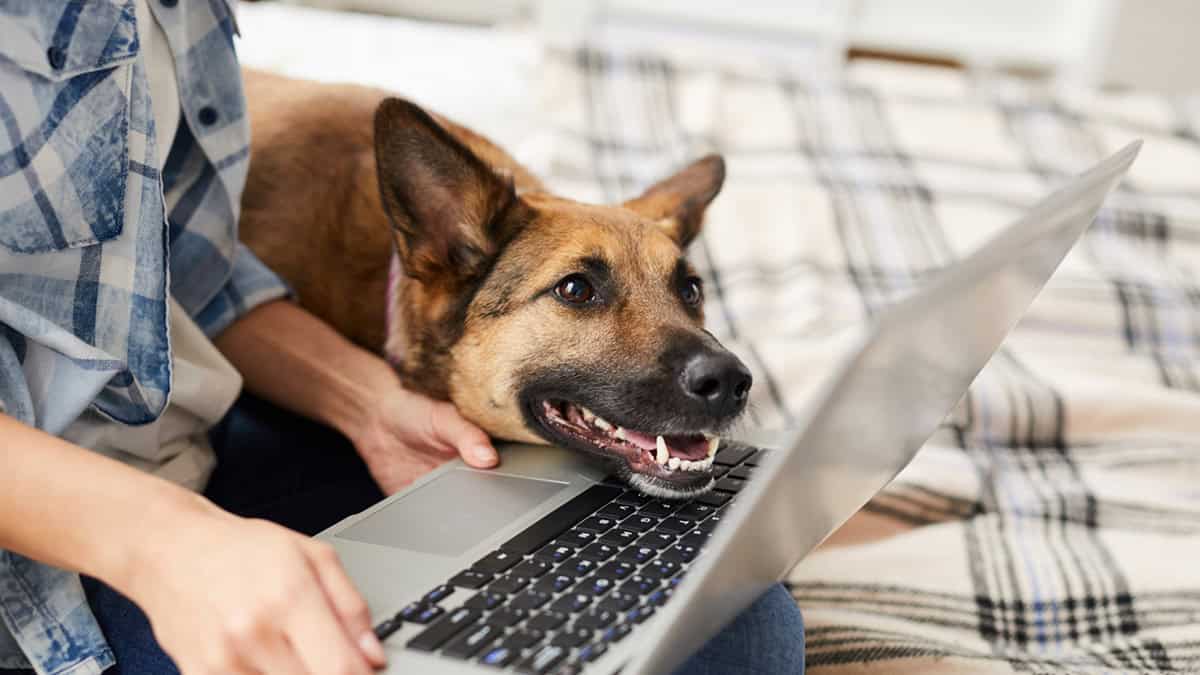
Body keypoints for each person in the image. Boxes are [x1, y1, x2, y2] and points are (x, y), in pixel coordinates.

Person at [0, 2, 805, 674]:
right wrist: (161, 545)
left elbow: (190, 271)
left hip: (185, 439)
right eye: (577, 292)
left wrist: (369, 405)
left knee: (737, 622)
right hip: (51, 553)